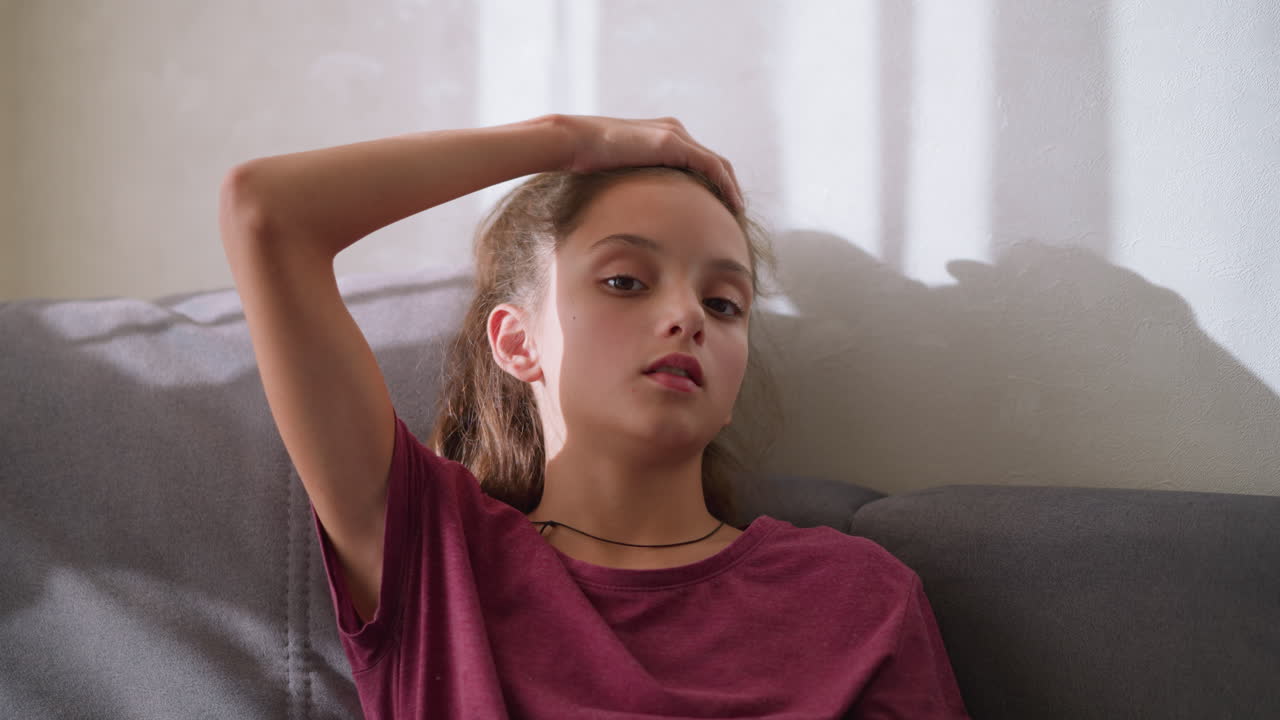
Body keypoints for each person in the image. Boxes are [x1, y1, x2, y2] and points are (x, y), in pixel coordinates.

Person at [219, 114, 971, 719]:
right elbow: (267, 211)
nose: (685, 316)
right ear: (517, 341)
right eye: (624, 280)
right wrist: (571, 141)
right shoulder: (431, 554)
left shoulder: (857, 598)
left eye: (723, 303)